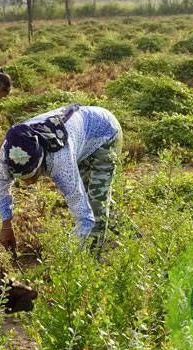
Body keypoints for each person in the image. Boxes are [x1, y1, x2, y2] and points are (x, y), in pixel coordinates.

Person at [0, 104, 123, 254]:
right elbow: (2, 187)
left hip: (105, 133)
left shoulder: (60, 161)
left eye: (32, 176)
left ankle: (92, 258)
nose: (28, 183)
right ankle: (131, 234)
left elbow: (85, 218)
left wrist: (66, 258)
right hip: (81, 136)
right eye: (21, 178)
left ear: (41, 161)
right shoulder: (9, 152)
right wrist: (6, 224)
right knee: (95, 195)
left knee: (96, 202)